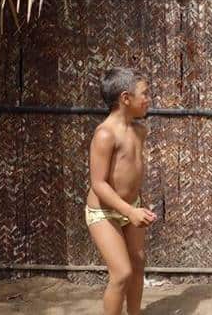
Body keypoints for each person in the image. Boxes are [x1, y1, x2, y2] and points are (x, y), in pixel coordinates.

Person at [85, 67, 157, 315]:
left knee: (137, 264)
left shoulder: (139, 130)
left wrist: (136, 206)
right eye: (144, 94)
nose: (149, 99)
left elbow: (130, 173)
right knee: (121, 273)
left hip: (131, 207)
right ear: (126, 98)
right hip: (103, 212)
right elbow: (99, 184)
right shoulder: (105, 134)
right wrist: (130, 211)